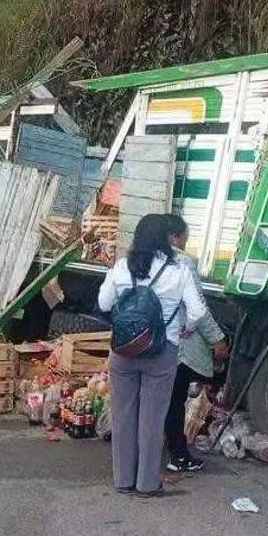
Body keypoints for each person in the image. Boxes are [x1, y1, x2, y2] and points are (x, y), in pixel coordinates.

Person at [97, 213, 207, 497]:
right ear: (166, 239)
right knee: (152, 419)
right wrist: (185, 328)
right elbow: (197, 311)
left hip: (123, 351)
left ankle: (123, 480)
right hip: (162, 352)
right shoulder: (178, 271)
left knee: (122, 416)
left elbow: (103, 303)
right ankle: (147, 483)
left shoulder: (122, 267)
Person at [160, 215, 228, 474]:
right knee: (175, 399)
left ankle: (148, 449)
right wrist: (217, 339)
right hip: (177, 343)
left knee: (160, 398)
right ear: (175, 237)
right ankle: (178, 456)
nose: (186, 244)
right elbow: (197, 309)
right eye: (185, 238)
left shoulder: (146, 260)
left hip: (150, 342)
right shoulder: (183, 263)